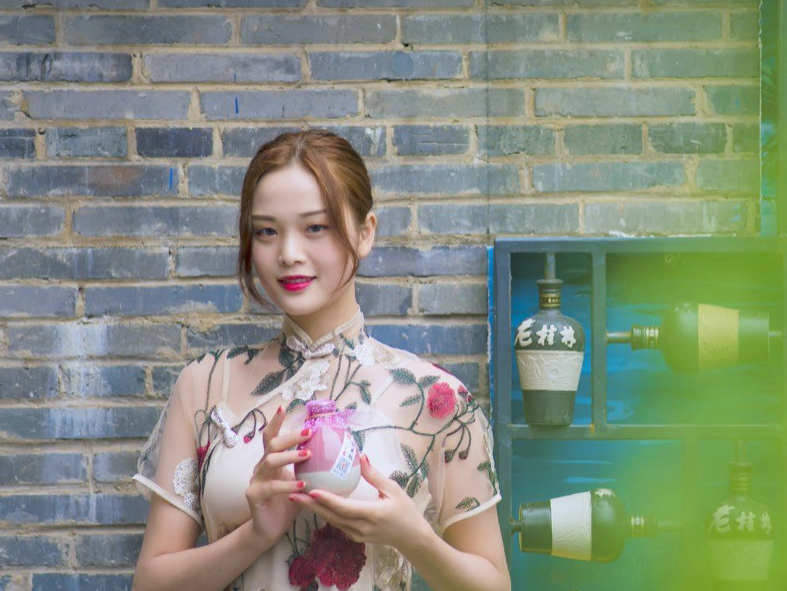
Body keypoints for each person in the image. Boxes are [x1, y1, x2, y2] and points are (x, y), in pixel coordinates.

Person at [132, 130, 509, 591]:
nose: (288, 254)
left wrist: (413, 538)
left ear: (365, 232)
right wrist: (256, 535)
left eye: (315, 227)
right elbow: (150, 583)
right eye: (267, 231)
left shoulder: (434, 398)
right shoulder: (205, 385)